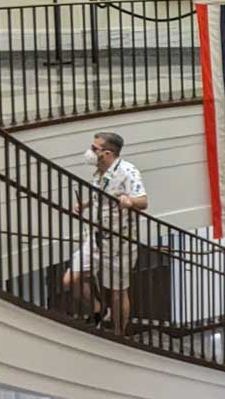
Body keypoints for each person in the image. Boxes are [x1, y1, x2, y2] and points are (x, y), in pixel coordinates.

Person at [62, 131, 148, 336]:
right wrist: (85, 204)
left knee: (118, 292)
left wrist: (130, 201)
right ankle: (98, 310)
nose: (90, 151)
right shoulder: (99, 171)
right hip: (96, 237)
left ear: (107, 153)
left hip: (119, 243)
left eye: (95, 148)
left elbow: (143, 201)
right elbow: (102, 196)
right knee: (70, 279)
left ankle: (119, 334)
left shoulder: (128, 172)